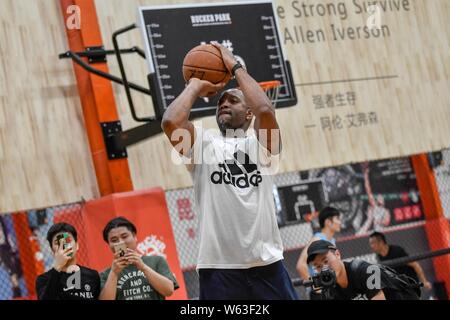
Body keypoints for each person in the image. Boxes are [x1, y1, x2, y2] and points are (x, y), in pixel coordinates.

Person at [161, 43, 297, 300]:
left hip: (265, 264)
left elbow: (265, 110)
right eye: (220, 101)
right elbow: (170, 121)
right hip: (218, 267)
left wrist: (235, 67)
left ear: (248, 112)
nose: (223, 104)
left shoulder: (262, 147)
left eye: (232, 100)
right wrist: (195, 84)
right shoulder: (203, 144)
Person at [307, 240, 421, 300]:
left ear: (337, 254)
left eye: (326, 261)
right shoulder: (330, 291)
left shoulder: (365, 270)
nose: (324, 268)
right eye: (317, 266)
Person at [99, 217, 178, 300]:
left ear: (134, 237)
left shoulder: (156, 261)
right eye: (114, 240)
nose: (120, 242)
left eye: (124, 236)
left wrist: (143, 267)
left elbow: (169, 291)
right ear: (109, 245)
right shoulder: (106, 274)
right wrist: (114, 273)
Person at [35, 223, 100, 300]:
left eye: (67, 240)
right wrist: (58, 267)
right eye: (57, 243)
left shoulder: (92, 275)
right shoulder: (43, 280)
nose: (63, 246)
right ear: (52, 250)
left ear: (77, 245)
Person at [296, 206, 341, 299]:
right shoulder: (318, 239)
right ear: (328, 222)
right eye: (337, 219)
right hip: (320, 292)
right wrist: (317, 289)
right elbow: (301, 265)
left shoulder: (331, 240)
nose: (340, 222)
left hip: (329, 287)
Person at [358, 163, 391, 234]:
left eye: (381, 198)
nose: (380, 198)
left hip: (384, 231)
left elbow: (387, 222)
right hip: (376, 232)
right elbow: (368, 189)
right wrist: (366, 175)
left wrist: (379, 221)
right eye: (378, 198)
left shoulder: (386, 211)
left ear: (384, 201)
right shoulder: (375, 207)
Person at [0, 216, 22, 298]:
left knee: (11, 269)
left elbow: (6, 233)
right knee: (11, 269)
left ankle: (16, 289)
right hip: (4, 246)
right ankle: (16, 289)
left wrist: (13, 249)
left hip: (4, 246)